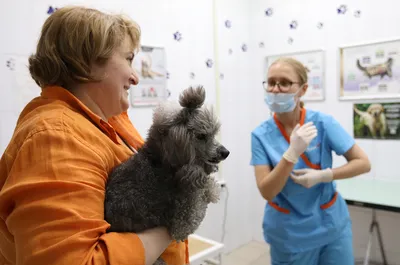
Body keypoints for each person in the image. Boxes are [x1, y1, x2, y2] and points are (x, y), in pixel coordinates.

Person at [0, 6, 188, 265]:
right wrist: (174, 222)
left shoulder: (107, 123)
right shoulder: (57, 136)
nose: (135, 78)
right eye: (128, 59)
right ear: (88, 62)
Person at [250, 57, 371, 265]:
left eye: (285, 83)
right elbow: (267, 191)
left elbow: (363, 163)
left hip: (330, 225)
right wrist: (291, 155)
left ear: (303, 89)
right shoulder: (260, 135)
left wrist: (326, 175)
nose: (276, 89)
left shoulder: (323, 123)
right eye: (271, 82)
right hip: (289, 233)